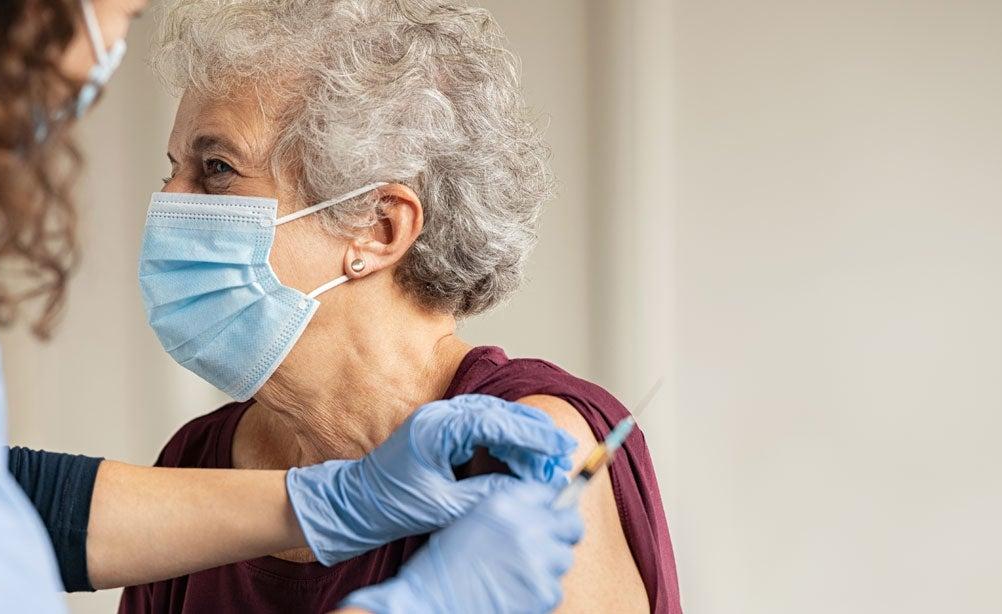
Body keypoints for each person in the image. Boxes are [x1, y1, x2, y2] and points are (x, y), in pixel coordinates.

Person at [0, 0, 585, 612]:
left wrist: (331, 502)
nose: (102, 52)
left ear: (380, 226)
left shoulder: (529, 438)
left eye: (215, 171)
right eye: (117, 14)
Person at [118, 0, 683, 613]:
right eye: (173, 169)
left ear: (379, 228)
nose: (168, 201)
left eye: (217, 169)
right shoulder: (195, 462)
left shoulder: (524, 451)